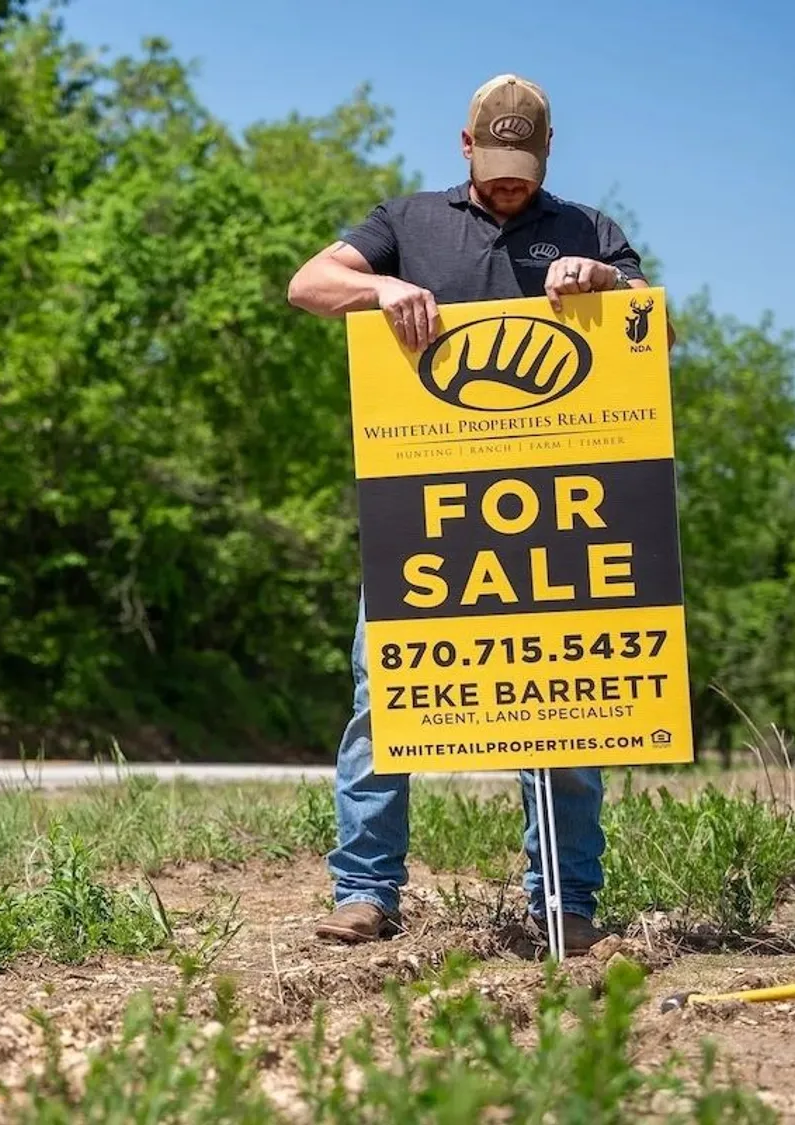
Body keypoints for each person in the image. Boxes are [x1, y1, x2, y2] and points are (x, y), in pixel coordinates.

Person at [285, 73, 669, 956]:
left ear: (546, 154)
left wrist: (605, 282)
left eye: (523, 166)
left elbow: (653, 336)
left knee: (567, 701)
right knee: (384, 694)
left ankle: (564, 901)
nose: (509, 181)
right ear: (464, 148)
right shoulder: (406, 222)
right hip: (427, 514)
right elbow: (309, 284)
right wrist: (378, 290)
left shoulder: (589, 230)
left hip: (563, 519)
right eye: (493, 164)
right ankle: (365, 891)